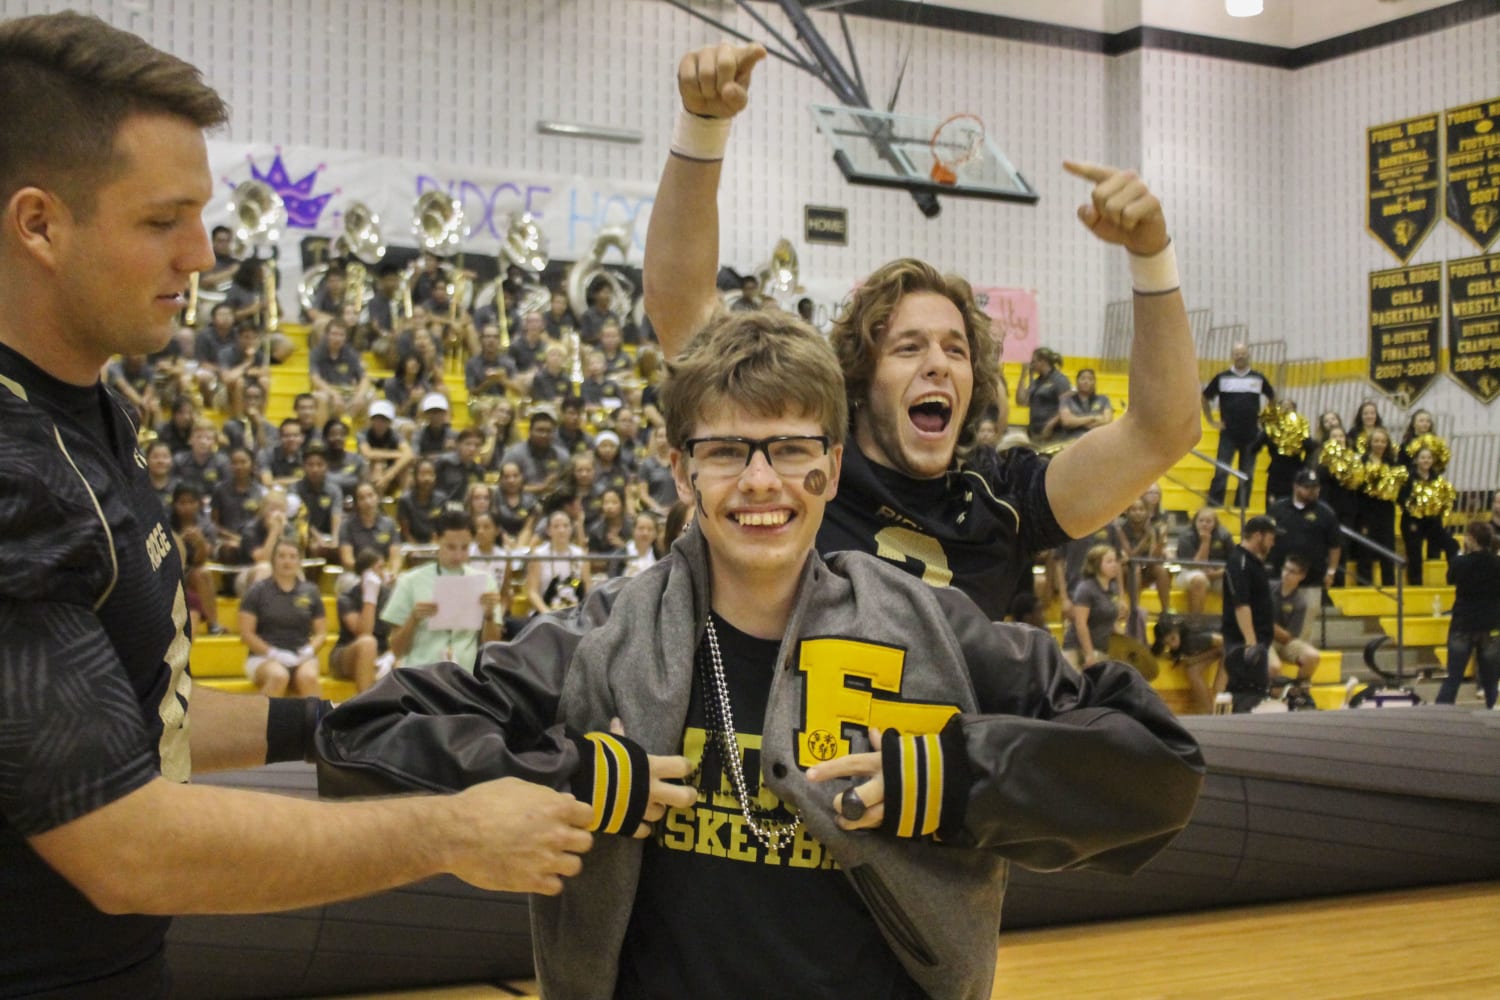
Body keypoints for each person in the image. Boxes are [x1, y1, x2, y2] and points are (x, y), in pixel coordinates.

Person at [316, 307, 1204, 1000]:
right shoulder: (604, 635)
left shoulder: (932, 627)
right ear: (680, 471)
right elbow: (365, 734)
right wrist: (566, 780)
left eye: (789, 448)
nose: (760, 481)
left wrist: (963, 778)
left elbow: (1157, 765)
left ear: (829, 466)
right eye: (728, 450)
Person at [0, 13, 593, 997]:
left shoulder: (98, 404)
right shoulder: (15, 474)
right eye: (162, 220)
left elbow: (145, 713)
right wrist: (451, 830)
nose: (202, 252)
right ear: (39, 223)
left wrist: (339, 721)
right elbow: (122, 846)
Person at [642, 42, 1201, 621]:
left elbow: (1164, 431)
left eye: (955, 349)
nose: (938, 362)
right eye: (909, 347)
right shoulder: (803, 458)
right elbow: (680, 306)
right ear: (860, 377)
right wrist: (702, 125)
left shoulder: (1001, 497)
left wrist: (1151, 256)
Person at [381, 510, 502, 670]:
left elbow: (491, 648)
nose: (458, 556)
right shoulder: (410, 581)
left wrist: (489, 617)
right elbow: (397, 650)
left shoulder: (485, 582)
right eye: (451, 547)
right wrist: (413, 619)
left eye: (464, 547)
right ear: (436, 540)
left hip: (465, 677)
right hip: (421, 676)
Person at [238, 539, 327, 697]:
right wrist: (273, 653)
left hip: (301, 655)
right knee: (279, 676)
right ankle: (255, 720)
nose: (287, 561)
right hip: (262, 657)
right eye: (282, 556)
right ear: (273, 560)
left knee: (308, 677)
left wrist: (309, 650)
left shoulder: (311, 591)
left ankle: (319, 721)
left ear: (299, 561)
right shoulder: (257, 591)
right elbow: (246, 634)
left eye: (293, 556)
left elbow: (321, 633)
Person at [1266, 468, 1343, 640]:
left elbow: (1335, 545)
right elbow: (1265, 538)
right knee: (1272, 622)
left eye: (1315, 487)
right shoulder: (1278, 509)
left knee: (1304, 629)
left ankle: (1300, 657)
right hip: (1280, 579)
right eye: (1307, 487)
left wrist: (1331, 571)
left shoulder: (1326, 513)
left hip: (1312, 579)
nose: (1312, 491)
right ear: (1296, 487)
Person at [1200, 342, 1275, 509]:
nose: (1240, 356)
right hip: (1228, 434)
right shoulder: (1222, 377)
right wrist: (1211, 421)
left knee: (1247, 474)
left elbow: (1272, 397)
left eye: (1243, 353)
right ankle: (1214, 505)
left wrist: (1265, 419)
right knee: (1221, 471)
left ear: (1248, 355)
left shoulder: (1258, 378)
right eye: (1237, 353)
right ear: (1232, 356)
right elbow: (1205, 397)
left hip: (1252, 435)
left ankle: (1241, 507)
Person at [1435, 521, 1500, 708]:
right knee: (1490, 678)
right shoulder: (1497, 564)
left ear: (1471, 539)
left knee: (1454, 676)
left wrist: (1462, 553)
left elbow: (1450, 578)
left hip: (1463, 623)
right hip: (1490, 625)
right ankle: (1491, 712)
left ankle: (1441, 713)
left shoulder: (1460, 562)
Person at [1221, 515, 1281, 712]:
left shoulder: (1253, 562)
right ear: (1258, 536)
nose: (1273, 544)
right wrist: (1251, 643)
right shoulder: (1239, 562)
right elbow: (1241, 605)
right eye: (1271, 538)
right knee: (1247, 694)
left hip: (1258, 641)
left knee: (1257, 690)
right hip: (1244, 642)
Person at [1397, 446, 1458, 585]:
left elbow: (1445, 498)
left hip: (1432, 522)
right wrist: (1413, 506)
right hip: (1412, 521)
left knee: (1452, 546)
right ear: (1416, 460)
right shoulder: (1408, 478)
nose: (1426, 460)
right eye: (1423, 457)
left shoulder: (1437, 479)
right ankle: (1415, 584)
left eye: (1429, 458)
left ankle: (1453, 579)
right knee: (1415, 554)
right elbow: (1400, 498)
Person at [1061, 543, 1125, 668]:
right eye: (1109, 561)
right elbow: (1081, 624)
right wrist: (1089, 654)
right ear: (1097, 565)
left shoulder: (1113, 588)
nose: (1114, 565)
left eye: (1115, 561)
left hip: (1101, 648)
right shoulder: (1086, 588)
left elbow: (1110, 620)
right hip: (1077, 648)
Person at [1175, 506, 1233, 616]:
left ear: (1215, 524)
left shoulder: (1224, 535)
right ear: (1195, 522)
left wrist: (1218, 573)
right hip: (1188, 572)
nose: (1204, 524)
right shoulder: (1185, 536)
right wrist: (1205, 542)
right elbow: (1193, 566)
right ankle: (1195, 622)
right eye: (1201, 521)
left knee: (1235, 582)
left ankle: (1232, 621)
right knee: (1199, 579)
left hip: (1217, 573)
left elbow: (1234, 562)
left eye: (1208, 521)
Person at [1015, 347, 1070, 445]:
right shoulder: (1037, 382)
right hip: (1035, 431)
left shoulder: (1059, 380)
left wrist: (1050, 425)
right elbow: (1021, 401)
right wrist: (1023, 375)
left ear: (1043, 361)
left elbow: (1066, 406)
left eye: (1034, 361)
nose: (1032, 365)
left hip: (1053, 433)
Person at [1052, 366, 1113, 444]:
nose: (1086, 381)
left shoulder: (1103, 399)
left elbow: (1107, 422)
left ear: (1094, 382)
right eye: (1083, 378)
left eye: (1090, 379)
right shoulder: (1066, 400)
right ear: (1077, 381)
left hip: (1097, 442)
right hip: (1071, 442)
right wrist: (1093, 418)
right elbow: (1067, 422)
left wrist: (1077, 420)